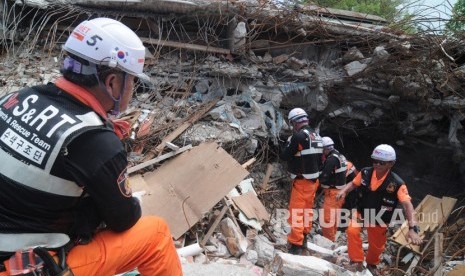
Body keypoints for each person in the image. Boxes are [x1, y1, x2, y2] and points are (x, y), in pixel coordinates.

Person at [0, 18, 182, 276]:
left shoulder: (15, 98)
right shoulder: (93, 140)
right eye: (132, 81)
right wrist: (108, 155)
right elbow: (124, 219)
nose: (132, 89)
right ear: (112, 83)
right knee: (156, 235)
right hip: (20, 266)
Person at [336, 144, 423, 273]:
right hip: (362, 212)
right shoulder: (365, 172)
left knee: (376, 246)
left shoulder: (397, 183)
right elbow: (353, 183)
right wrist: (344, 191)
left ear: (391, 164)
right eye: (374, 161)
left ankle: (372, 265)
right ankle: (357, 261)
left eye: (381, 162)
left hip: (381, 218)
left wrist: (412, 228)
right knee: (352, 231)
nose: (376, 164)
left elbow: (407, 205)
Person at [280, 108, 323, 255]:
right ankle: (304, 238)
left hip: (302, 181)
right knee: (307, 211)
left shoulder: (298, 137)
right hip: (313, 182)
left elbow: (285, 155)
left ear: (294, 122)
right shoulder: (317, 136)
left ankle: (295, 245)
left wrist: (286, 143)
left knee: (297, 213)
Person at [318, 136, 348, 242]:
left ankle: (328, 241)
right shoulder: (339, 155)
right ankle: (332, 237)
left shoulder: (331, 159)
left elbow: (324, 176)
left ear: (325, 148)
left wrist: (315, 180)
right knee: (334, 218)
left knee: (327, 219)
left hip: (333, 192)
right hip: (340, 192)